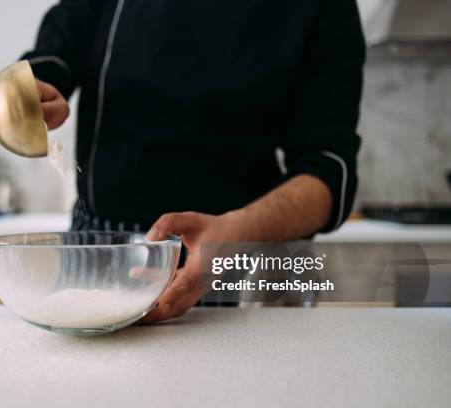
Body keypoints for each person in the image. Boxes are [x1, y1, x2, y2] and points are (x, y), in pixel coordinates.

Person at [21, 0, 365, 322]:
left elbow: (329, 170)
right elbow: (56, 51)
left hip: (241, 261)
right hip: (100, 250)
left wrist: (238, 232)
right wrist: (31, 93)